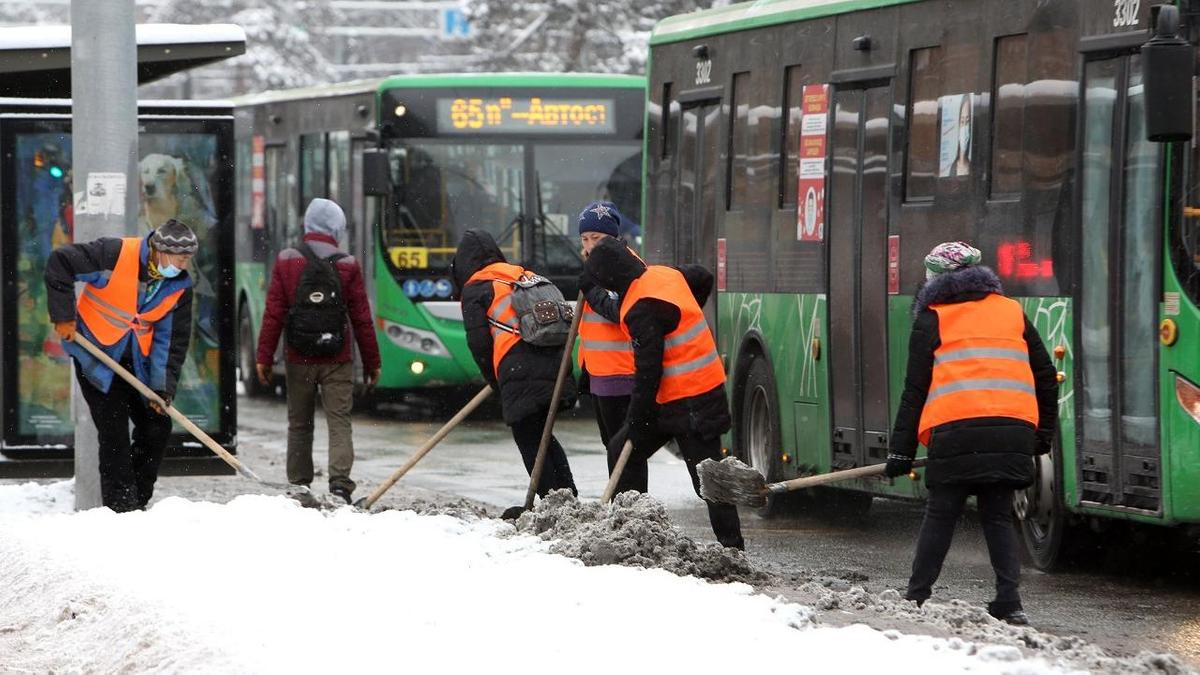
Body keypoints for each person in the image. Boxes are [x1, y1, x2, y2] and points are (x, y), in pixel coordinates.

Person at [885, 241, 1058, 626]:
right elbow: (1046, 375)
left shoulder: (932, 317)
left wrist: (900, 451)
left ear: (937, 280)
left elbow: (915, 390)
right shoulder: (1011, 311)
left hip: (957, 433)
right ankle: (1009, 603)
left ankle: (915, 597)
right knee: (998, 515)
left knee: (941, 514)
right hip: (1011, 434)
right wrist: (1041, 435)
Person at [583, 238, 744, 550]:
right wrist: (686, 312)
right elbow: (702, 276)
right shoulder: (666, 275)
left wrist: (635, 418)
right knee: (622, 448)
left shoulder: (641, 307)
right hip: (672, 400)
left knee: (707, 479)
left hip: (696, 400)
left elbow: (648, 371)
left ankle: (732, 548)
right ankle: (633, 529)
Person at [44, 219, 198, 512]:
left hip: (136, 363)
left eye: (187, 259)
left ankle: (137, 501)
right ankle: (120, 507)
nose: (182, 265)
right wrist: (63, 315)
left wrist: (161, 388)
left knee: (157, 426)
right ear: (159, 251)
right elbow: (60, 262)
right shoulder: (115, 254)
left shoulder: (179, 286)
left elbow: (171, 341)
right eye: (179, 258)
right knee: (113, 431)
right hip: (97, 358)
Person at [255, 198, 380, 504]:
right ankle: (339, 485)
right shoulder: (348, 264)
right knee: (339, 421)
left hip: (299, 356)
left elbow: (274, 313)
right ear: (337, 228)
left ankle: (299, 484)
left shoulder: (287, 260)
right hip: (337, 356)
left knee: (299, 423)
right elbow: (361, 318)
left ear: (307, 225)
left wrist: (264, 357)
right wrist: (372, 361)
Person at [452, 228, 577, 497]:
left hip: (519, 369)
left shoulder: (476, 287)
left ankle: (551, 500)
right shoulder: (524, 275)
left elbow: (479, 345)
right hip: (555, 363)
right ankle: (566, 495)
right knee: (542, 435)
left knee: (529, 438)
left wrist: (495, 381)